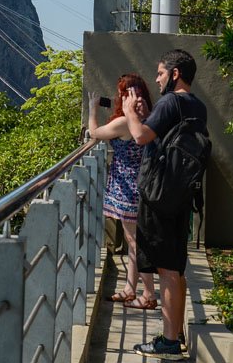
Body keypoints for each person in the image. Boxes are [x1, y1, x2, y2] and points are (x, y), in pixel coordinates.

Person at [123, 49, 209, 360]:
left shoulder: (171, 100)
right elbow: (167, 138)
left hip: (159, 196)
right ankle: (172, 335)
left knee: (167, 270)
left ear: (174, 74)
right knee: (176, 268)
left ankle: (169, 342)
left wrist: (130, 112)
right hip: (180, 195)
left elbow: (141, 137)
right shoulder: (197, 106)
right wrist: (147, 116)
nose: (157, 79)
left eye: (161, 73)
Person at [88, 74, 158, 310]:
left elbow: (95, 133)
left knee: (134, 241)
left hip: (127, 188)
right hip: (143, 185)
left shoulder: (123, 123)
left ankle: (148, 293)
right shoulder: (149, 118)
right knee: (134, 240)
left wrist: (92, 109)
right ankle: (130, 288)